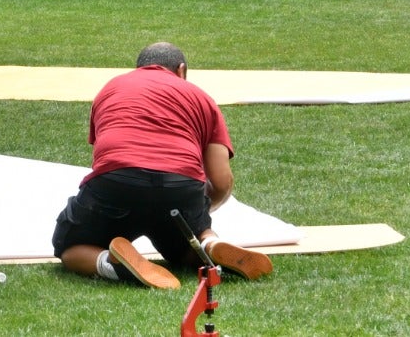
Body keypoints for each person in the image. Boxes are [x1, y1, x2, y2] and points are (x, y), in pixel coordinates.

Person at [51, 42, 272, 290]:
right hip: (180, 187)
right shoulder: (201, 97)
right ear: (181, 70)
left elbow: (106, 153)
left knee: (69, 246)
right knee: (186, 246)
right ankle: (209, 244)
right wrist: (200, 215)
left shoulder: (110, 89)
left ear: (138, 68)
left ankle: (113, 265)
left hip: (119, 181)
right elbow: (221, 182)